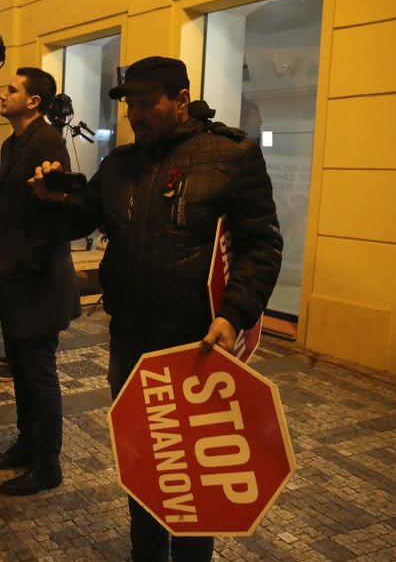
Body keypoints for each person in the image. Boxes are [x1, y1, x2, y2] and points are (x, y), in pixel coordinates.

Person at [33, 56, 283, 562]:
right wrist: (49, 197)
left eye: (148, 104)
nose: (137, 116)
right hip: (130, 344)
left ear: (181, 100)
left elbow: (262, 246)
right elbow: (83, 218)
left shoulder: (231, 155)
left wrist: (233, 314)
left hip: (197, 346)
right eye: (131, 106)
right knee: (145, 463)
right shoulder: (122, 164)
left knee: (195, 477)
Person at [0, 67, 80, 496]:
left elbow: (56, 216)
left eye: (12, 90)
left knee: (39, 373)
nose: (2, 94)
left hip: (38, 281)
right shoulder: (14, 141)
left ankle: (47, 462)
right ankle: (26, 444)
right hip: (17, 279)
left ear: (33, 101)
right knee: (20, 369)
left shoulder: (47, 141)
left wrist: (21, 260)